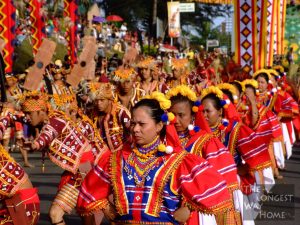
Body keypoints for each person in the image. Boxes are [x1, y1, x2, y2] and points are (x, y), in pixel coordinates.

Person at [77, 92, 238, 224]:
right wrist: (107, 208)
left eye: (142, 124)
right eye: (133, 124)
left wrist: (189, 208)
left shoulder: (178, 160)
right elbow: (90, 189)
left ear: (159, 126)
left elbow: (217, 190)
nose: (136, 129)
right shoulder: (116, 159)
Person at [20, 92, 106, 225]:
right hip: (80, 170)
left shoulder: (55, 121)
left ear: (42, 111)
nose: (26, 118)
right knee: (88, 215)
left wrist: (35, 144)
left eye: (29, 114)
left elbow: (47, 135)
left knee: (59, 214)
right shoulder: (55, 119)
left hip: (83, 171)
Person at [167, 85, 242, 224]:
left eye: (181, 115)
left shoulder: (206, 142)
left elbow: (221, 183)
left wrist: (189, 208)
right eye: (172, 115)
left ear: (193, 115)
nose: (176, 120)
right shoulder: (162, 142)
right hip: (166, 210)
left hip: (199, 211)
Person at [0, 114, 40, 225]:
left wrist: (36, 144)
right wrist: (7, 117)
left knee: (56, 213)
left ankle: (26, 161)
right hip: (14, 205)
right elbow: (2, 124)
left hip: (22, 206)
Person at [89, 82, 131, 152]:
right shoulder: (94, 114)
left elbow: (131, 129)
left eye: (102, 100)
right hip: (105, 155)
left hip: (124, 152)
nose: (98, 103)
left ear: (109, 100)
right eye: (96, 101)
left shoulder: (121, 112)